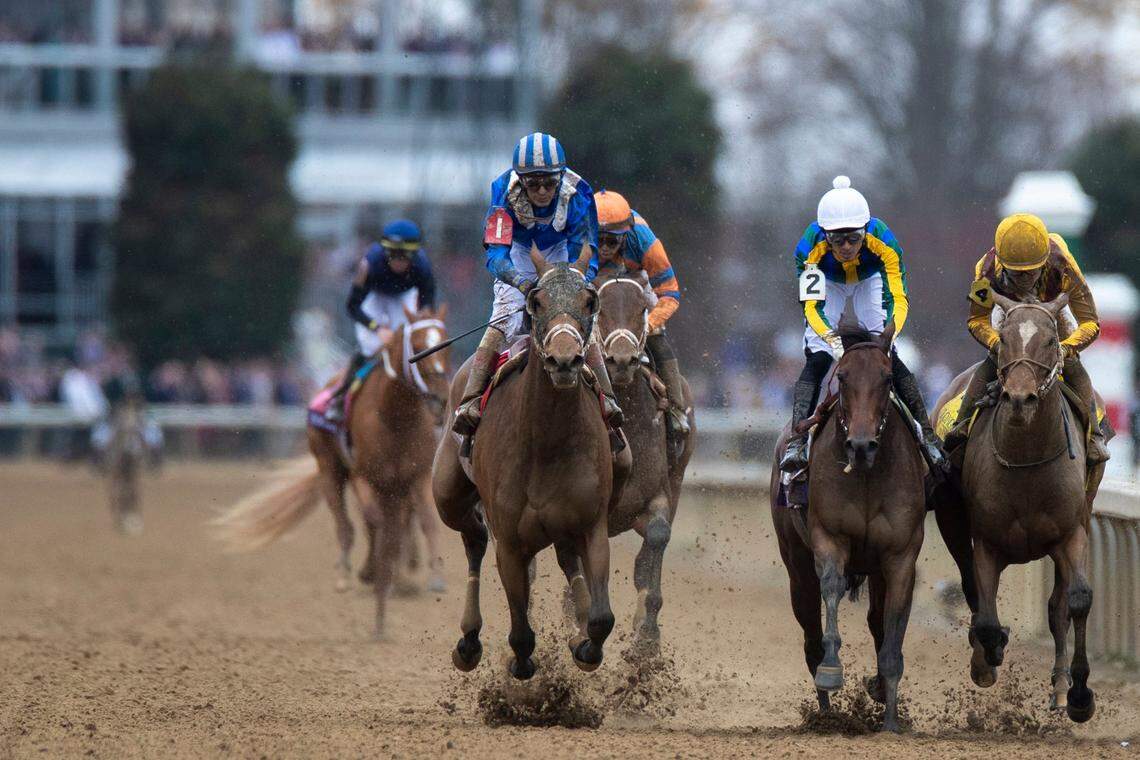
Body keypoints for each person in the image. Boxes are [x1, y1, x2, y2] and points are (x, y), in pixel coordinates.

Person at [452, 132, 622, 435]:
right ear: (521, 180)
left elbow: (587, 249)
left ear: (560, 178)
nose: (542, 190)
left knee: (580, 316)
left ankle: (608, 401)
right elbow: (496, 254)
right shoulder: (503, 191)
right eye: (533, 184)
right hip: (517, 252)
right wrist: (519, 282)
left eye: (549, 183)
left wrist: (569, 282)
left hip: (562, 253)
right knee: (504, 317)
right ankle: (470, 400)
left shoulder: (579, 192)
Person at [780, 175, 946, 474]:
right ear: (824, 234)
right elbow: (812, 307)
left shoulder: (884, 241)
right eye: (836, 239)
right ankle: (797, 438)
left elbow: (898, 297)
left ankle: (927, 435)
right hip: (829, 283)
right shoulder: (808, 249)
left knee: (887, 356)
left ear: (865, 230)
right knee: (817, 357)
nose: (845, 246)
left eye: (854, 238)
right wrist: (831, 341)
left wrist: (889, 333)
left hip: (870, 280)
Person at [942, 213, 1110, 465]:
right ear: (1001, 263)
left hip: (1051, 318)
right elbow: (976, 320)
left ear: (1044, 261)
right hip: (1009, 320)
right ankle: (962, 426)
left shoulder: (1063, 264)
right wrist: (998, 345)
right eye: (1017, 274)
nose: (1025, 279)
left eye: (1032, 272)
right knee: (991, 364)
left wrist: (1065, 349)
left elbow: (1090, 324)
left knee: (1074, 367)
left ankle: (1094, 437)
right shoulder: (985, 271)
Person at [594, 189, 690, 438]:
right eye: (598, 239)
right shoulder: (577, 237)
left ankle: (677, 412)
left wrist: (647, 326)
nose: (604, 248)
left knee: (657, 336)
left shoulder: (645, 241)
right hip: (595, 283)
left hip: (636, 281)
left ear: (626, 235)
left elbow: (670, 292)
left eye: (611, 241)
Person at [325, 219, 436, 423]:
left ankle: (432, 396)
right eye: (393, 255)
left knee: (411, 343)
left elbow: (427, 305)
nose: (398, 262)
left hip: (403, 297)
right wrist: (377, 328)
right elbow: (352, 307)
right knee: (371, 346)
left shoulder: (423, 267)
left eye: (405, 257)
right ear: (385, 252)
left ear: (414, 256)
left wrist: (421, 322)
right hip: (374, 297)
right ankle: (339, 398)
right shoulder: (369, 265)